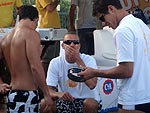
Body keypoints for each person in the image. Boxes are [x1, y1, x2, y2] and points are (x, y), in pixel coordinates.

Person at [79, 0, 150, 113]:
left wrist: (94, 72)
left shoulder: (122, 30)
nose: (103, 24)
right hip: (146, 96)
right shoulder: (141, 25)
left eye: (102, 18)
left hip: (133, 99)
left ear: (111, 9)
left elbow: (126, 70)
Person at [0, 5, 54, 113]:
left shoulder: (5, 39)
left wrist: (0, 83)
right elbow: (35, 67)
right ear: (36, 19)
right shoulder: (31, 34)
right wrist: (47, 94)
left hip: (12, 94)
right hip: (27, 94)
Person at [40, 32, 101, 113]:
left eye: (76, 43)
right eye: (68, 42)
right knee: (44, 103)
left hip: (86, 100)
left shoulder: (89, 60)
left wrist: (78, 60)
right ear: (63, 46)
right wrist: (58, 94)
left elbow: (92, 85)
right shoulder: (55, 62)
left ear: (79, 46)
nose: (72, 45)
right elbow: (49, 89)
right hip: (67, 101)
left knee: (90, 104)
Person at [36, 0, 61, 74]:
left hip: (54, 30)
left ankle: (51, 80)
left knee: (55, 58)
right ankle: (43, 81)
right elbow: (50, 8)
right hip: (47, 30)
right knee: (46, 59)